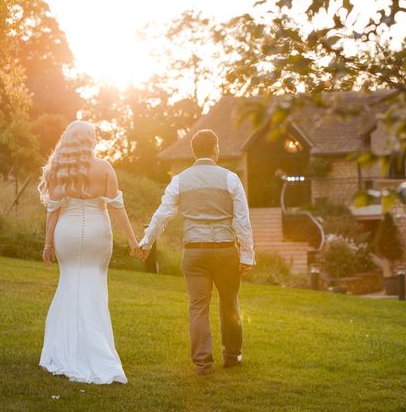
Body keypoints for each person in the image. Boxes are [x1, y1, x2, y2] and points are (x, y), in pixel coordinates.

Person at [137, 129, 255, 375]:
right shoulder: (230, 179)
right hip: (224, 250)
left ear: (193, 152)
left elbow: (163, 214)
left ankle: (203, 363)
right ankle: (232, 355)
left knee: (198, 305)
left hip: (194, 252)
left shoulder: (179, 180)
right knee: (229, 302)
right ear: (215, 149)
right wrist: (247, 255)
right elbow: (242, 220)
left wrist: (147, 241)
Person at [37, 120, 138, 384]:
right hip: (97, 232)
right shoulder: (104, 168)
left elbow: (53, 212)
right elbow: (117, 207)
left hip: (66, 232)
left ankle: (65, 348)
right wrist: (132, 239)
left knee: (69, 282)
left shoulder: (59, 169)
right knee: (93, 285)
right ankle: (95, 348)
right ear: (90, 140)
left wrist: (48, 244)